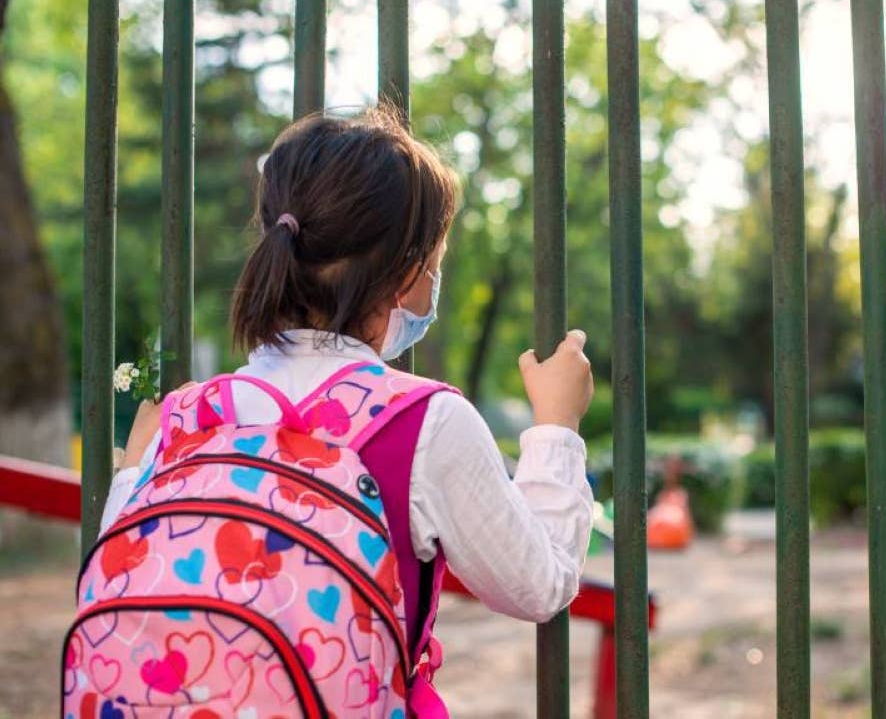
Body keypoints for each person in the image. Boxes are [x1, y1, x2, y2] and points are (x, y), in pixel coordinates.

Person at [79, 107, 594, 718]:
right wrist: (556, 429)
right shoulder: (424, 421)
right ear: (410, 273)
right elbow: (534, 584)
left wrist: (129, 475)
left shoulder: (188, 417)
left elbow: (116, 582)